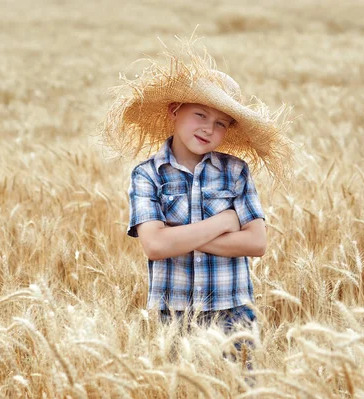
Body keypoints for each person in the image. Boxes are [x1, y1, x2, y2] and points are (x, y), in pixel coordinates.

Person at [100, 37, 294, 368]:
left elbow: (257, 242)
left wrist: (180, 236)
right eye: (200, 114)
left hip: (233, 312)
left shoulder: (236, 171)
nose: (208, 128)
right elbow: (156, 246)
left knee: (239, 389)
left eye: (221, 123)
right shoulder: (147, 175)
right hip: (174, 316)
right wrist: (224, 222)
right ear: (175, 111)